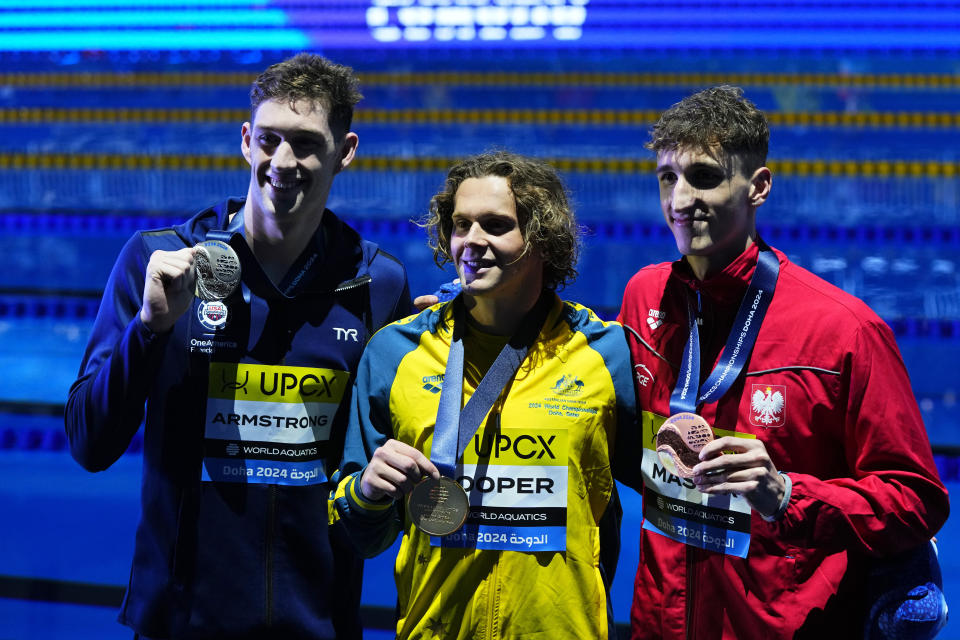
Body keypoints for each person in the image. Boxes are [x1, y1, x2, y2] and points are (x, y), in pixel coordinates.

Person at [64, 53, 412, 639]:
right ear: (246, 141)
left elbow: (382, 468)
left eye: (305, 143)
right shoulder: (158, 262)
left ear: (345, 151)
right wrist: (149, 330)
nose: (283, 161)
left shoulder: (378, 285)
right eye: (270, 139)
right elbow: (89, 442)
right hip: (180, 623)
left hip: (319, 624)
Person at [616, 86, 950, 639]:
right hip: (661, 624)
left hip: (782, 627)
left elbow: (915, 498)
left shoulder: (843, 331)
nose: (678, 199)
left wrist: (789, 495)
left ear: (758, 187)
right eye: (667, 177)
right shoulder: (644, 298)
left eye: (703, 176)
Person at [332, 151, 636, 639]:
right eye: (460, 225)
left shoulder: (606, 354)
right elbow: (360, 534)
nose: (472, 241)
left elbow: (650, 493)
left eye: (496, 225)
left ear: (543, 237)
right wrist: (367, 492)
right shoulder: (396, 352)